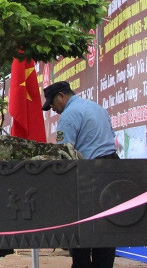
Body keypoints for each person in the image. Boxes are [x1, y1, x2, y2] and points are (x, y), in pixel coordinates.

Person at [42, 80, 118, 268]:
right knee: (107, 223)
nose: (53, 108)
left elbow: (63, 152)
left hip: (89, 172)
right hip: (113, 169)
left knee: (81, 223)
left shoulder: (68, 115)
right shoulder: (97, 108)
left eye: (52, 103)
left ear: (62, 96)